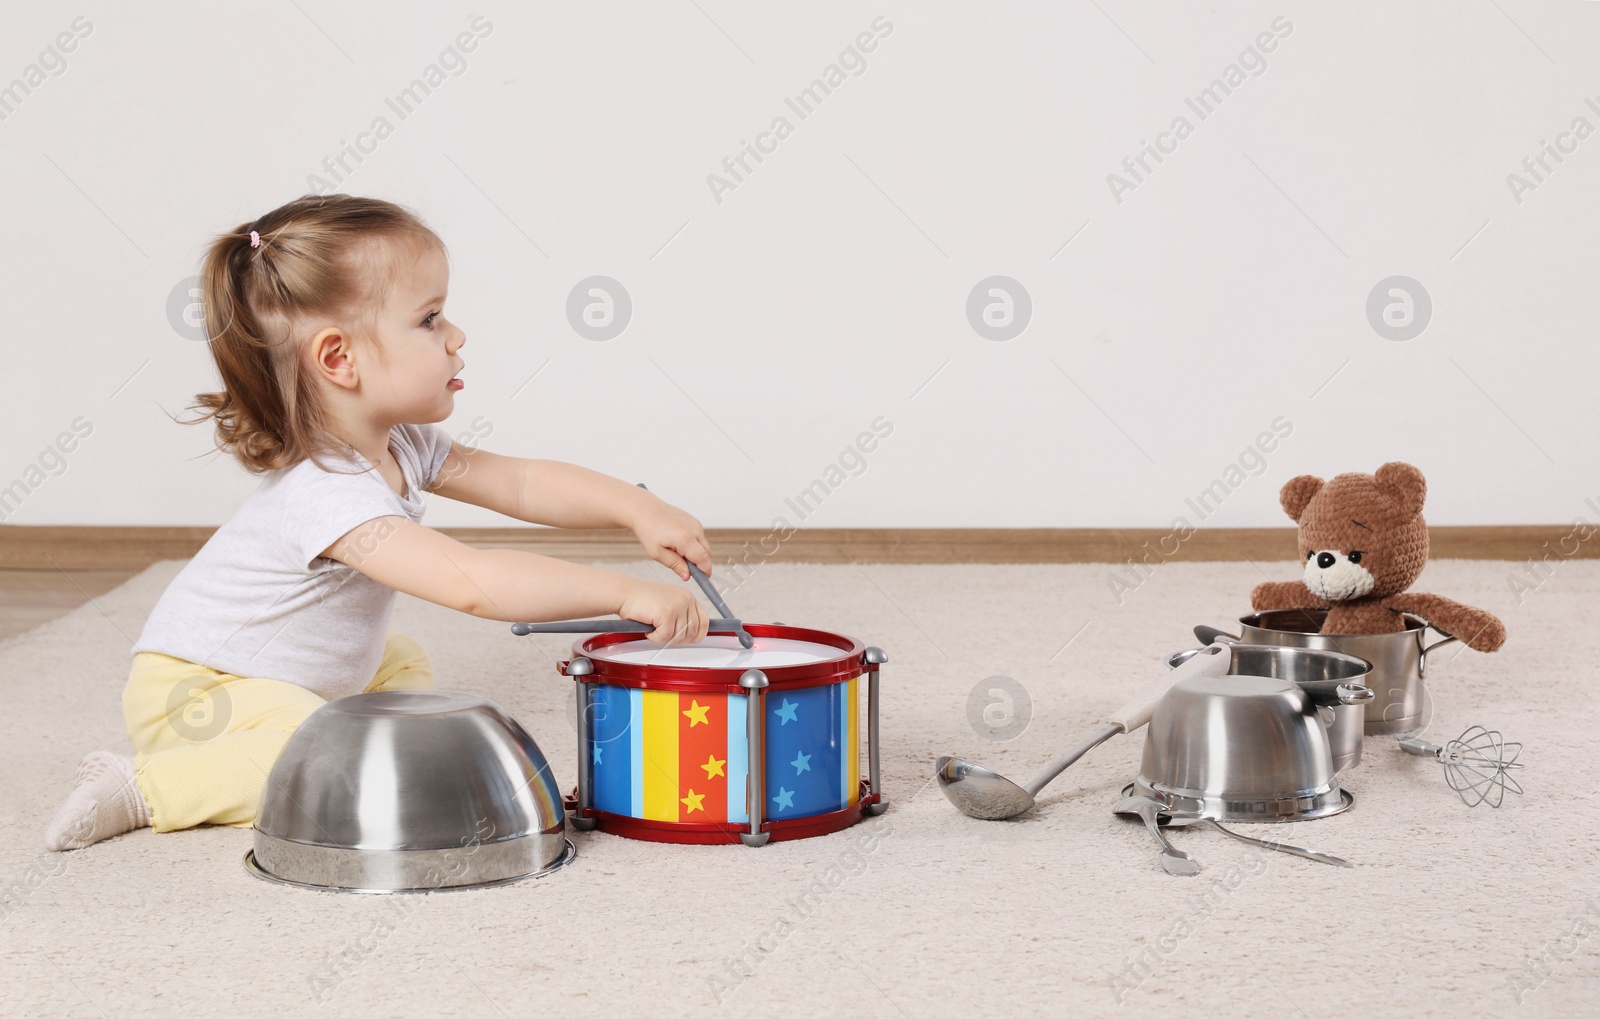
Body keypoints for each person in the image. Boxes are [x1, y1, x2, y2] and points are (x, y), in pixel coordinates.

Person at [44, 194, 712, 851]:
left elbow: (520, 481)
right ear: (339, 359)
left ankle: (329, 736)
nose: (457, 336)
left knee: (402, 664)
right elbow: (469, 580)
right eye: (429, 319)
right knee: (315, 754)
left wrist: (638, 508)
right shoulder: (327, 491)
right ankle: (139, 786)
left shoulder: (403, 444)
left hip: (284, 681)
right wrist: (621, 591)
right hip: (197, 693)